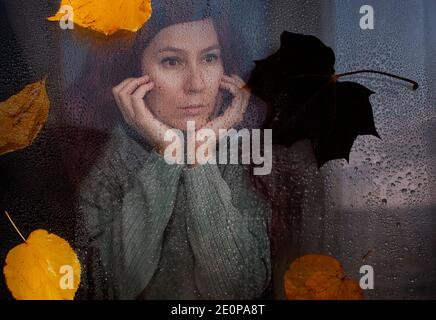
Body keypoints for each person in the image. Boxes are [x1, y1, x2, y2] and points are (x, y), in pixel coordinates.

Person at [74, 1, 272, 300]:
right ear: (133, 77)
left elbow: (239, 291)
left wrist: (197, 158)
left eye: (209, 58)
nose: (196, 84)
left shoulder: (245, 156)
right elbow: (109, 289)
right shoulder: (106, 159)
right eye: (171, 62)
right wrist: (169, 152)